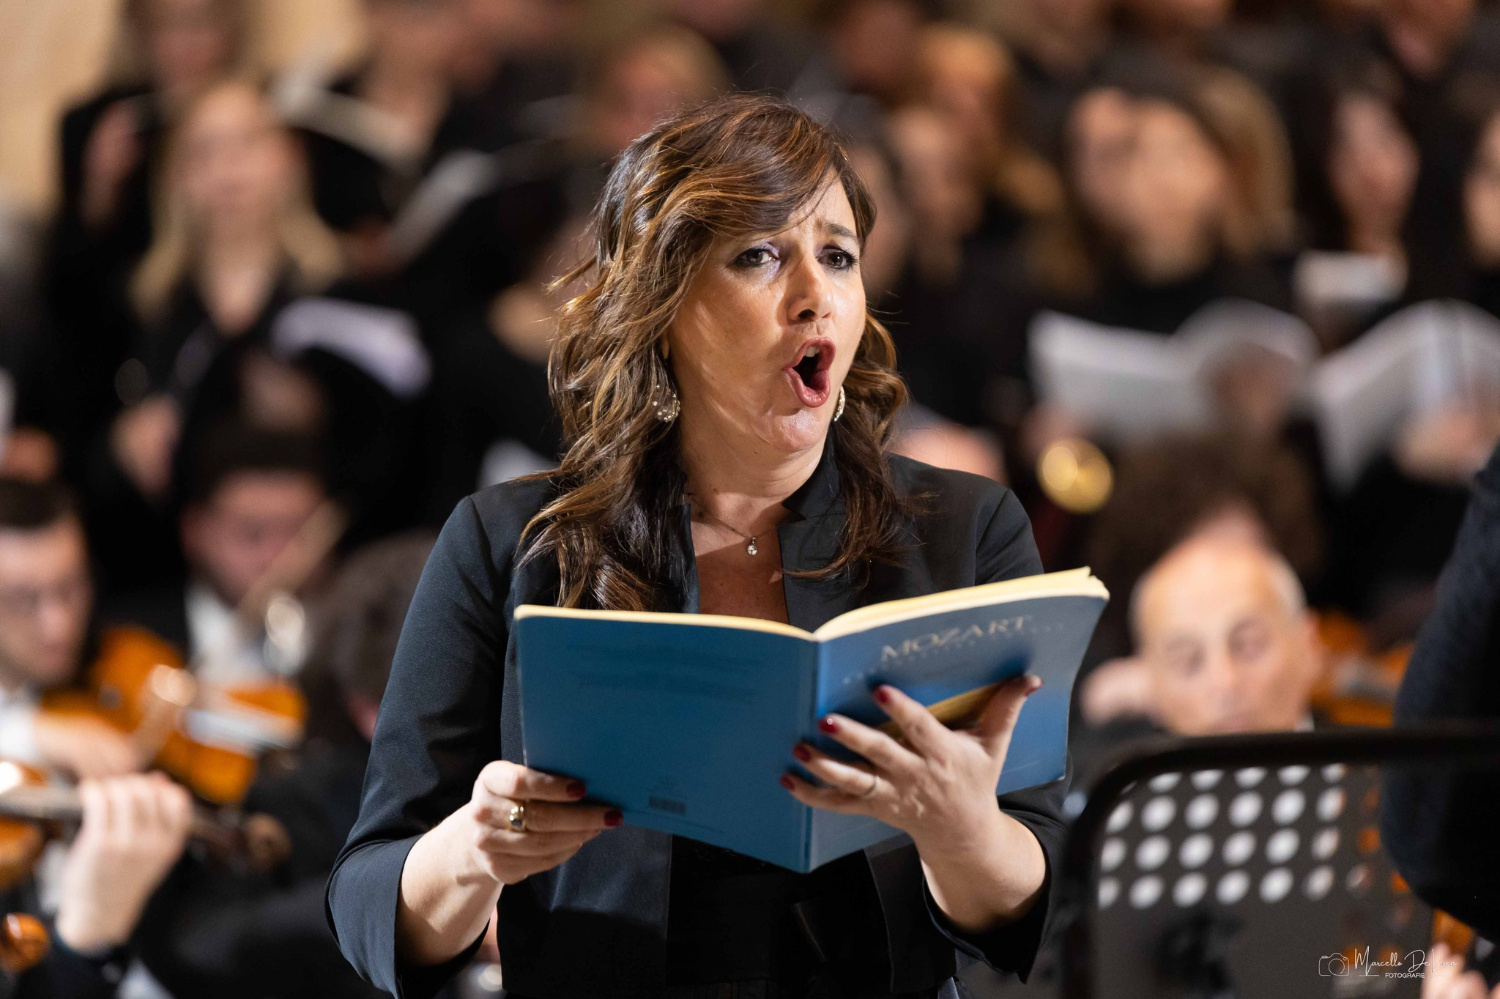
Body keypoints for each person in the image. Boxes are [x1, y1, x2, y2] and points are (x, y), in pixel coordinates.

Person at [328, 94, 1063, 999]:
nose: (815, 294)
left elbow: (1030, 907)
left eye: (838, 255)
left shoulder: (965, 529)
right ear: (663, 302)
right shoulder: (509, 543)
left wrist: (961, 829)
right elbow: (367, 902)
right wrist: (472, 850)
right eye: (759, 255)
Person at [0, 478, 196, 997]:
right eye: (21, 599)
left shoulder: (105, 680)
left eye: (70, 587)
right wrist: (30, 730)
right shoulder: (34, 724)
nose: (58, 624)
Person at [1088, 533, 1324, 736]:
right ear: (1151, 682)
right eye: (1188, 662)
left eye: (1249, 646)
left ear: (1308, 645)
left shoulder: (1348, 765)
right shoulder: (1114, 775)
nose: (1226, 682)